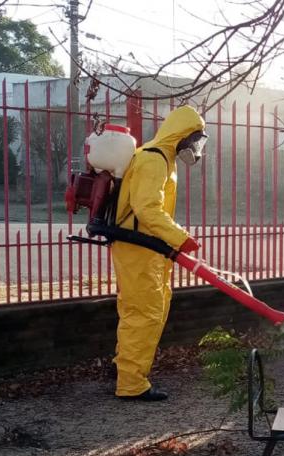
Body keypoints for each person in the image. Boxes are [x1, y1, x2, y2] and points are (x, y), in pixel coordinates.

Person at [112, 105, 207, 401]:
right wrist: (180, 238)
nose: (194, 148)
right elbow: (146, 208)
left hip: (147, 249)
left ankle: (128, 372)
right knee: (145, 314)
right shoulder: (154, 160)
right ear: (180, 135)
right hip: (139, 248)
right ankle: (130, 384)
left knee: (150, 310)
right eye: (193, 140)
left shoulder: (163, 158)